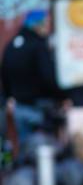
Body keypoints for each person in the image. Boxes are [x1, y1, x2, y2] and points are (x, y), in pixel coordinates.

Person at [0, 9, 64, 152]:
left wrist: (9, 96)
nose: (47, 27)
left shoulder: (11, 45)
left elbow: (4, 74)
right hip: (40, 108)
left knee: (25, 151)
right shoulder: (38, 45)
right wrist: (62, 96)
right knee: (44, 151)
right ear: (37, 24)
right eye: (46, 23)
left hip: (19, 108)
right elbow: (48, 76)